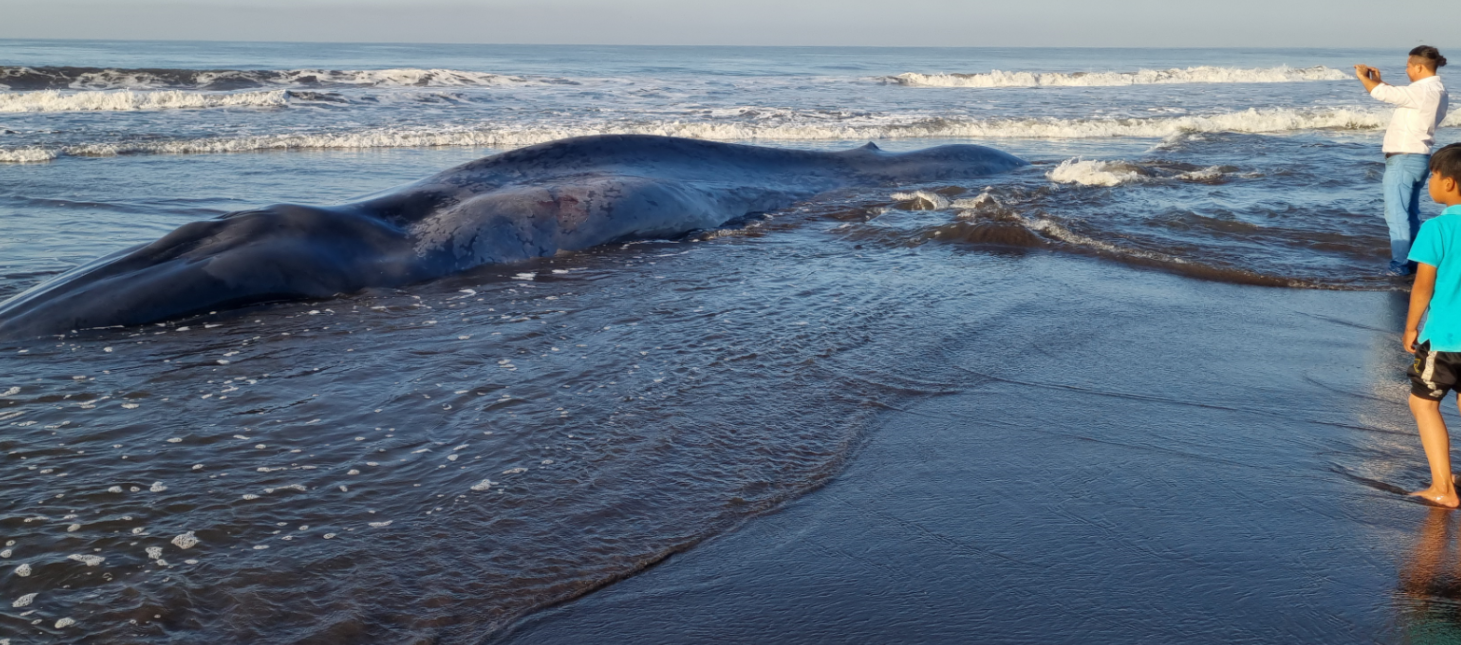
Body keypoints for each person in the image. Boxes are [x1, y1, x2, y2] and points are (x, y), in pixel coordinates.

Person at [1355, 46, 1449, 276]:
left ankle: (1400, 267)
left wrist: (1363, 78)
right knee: (1410, 214)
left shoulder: (1422, 90)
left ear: (1419, 66)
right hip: (1418, 156)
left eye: (1408, 65)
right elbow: (1397, 95)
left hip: (1405, 157)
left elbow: (1380, 94)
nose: (1406, 70)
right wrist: (1379, 81)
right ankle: (1414, 263)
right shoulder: (1436, 90)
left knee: (1396, 215)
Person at [1402, 143, 1461, 507]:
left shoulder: (1436, 229)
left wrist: (1411, 327)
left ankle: (1443, 488)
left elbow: (1423, 286)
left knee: (1423, 404)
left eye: (1434, 176)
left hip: (1444, 338)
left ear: (1450, 184)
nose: (1430, 183)